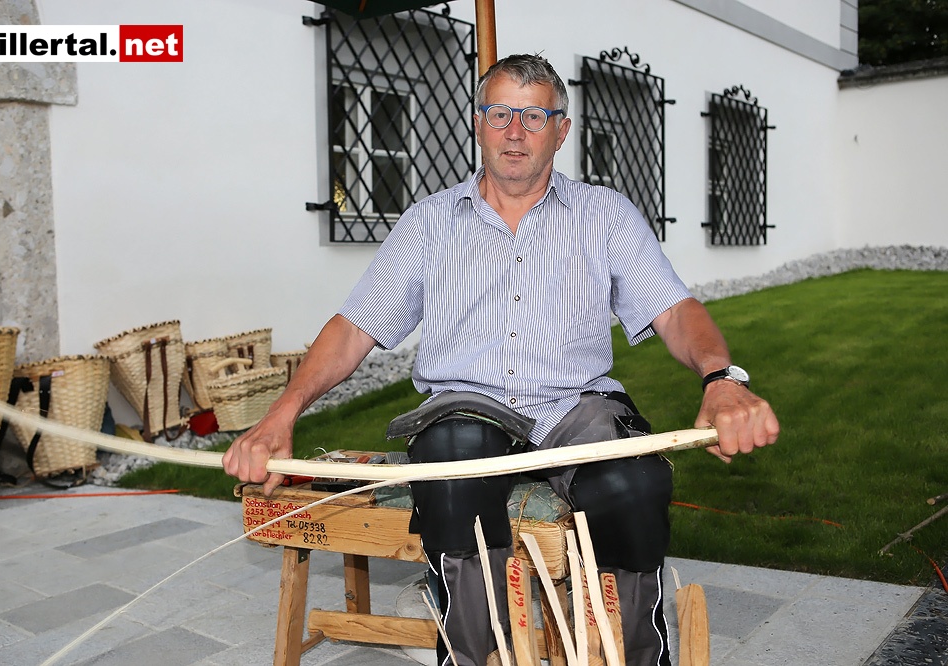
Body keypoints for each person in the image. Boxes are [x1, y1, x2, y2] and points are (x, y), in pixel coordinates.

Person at [224, 53, 779, 666]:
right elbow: (354, 328)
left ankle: (635, 657)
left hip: (575, 406)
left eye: (534, 117)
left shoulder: (605, 215)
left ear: (561, 131)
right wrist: (282, 414)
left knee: (633, 481)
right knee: (453, 463)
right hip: (467, 406)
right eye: (499, 114)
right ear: (478, 123)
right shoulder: (429, 223)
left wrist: (721, 379)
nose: (515, 132)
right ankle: (472, 655)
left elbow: (674, 311)